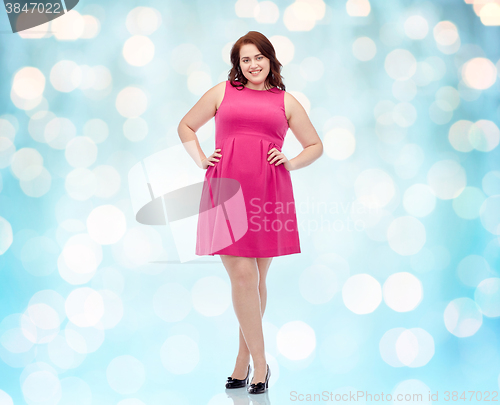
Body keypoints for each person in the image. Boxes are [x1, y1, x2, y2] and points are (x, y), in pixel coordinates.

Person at [177, 31, 323, 394]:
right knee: (242, 276)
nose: (253, 64)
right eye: (245, 59)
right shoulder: (221, 92)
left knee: (256, 281)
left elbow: (316, 145)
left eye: (259, 57)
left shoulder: (286, 101)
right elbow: (186, 126)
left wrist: (290, 161)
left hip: (268, 191)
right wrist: (200, 158)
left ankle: (241, 363)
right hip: (225, 188)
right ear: (237, 64)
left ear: (271, 60)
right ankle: (262, 365)